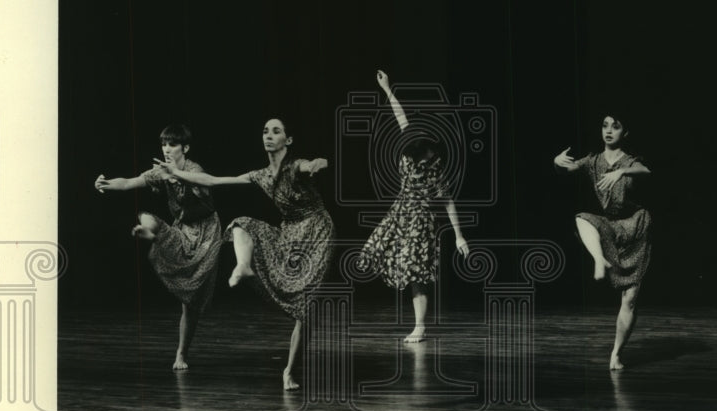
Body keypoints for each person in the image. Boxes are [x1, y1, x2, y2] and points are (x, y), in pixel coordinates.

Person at [155, 118, 332, 391]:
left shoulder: (296, 166)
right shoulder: (261, 174)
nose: (269, 135)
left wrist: (317, 163)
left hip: (317, 232)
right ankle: (243, 266)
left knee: (305, 308)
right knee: (240, 224)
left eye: (276, 131)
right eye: (265, 131)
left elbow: (312, 164)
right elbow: (213, 180)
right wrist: (177, 174)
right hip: (289, 233)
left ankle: (289, 372)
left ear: (289, 139)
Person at [94, 124, 222, 371]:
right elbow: (130, 182)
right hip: (182, 229)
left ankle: (181, 353)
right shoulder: (160, 171)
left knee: (191, 302)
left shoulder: (194, 170)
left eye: (172, 144)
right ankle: (149, 232)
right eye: (164, 144)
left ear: (185, 148)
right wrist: (105, 183)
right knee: (150, 218)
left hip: (206, 232)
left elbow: (204, 190)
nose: (166, 149)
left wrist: (177, 176)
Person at [358, 70, 470, 343]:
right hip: (400, 211)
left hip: (421, 218)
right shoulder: (411, 143)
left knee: (415, 272)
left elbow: (446, 199)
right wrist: (386, 88)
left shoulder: (432, 162)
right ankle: (417, 322)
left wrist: (459, 235)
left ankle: (420, 326)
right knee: (371, 251)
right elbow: (400, 116)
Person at [554, 113, 651, 370]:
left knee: (629, 298)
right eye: (605, 125)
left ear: (625, 133)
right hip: (610, 223)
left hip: (635, 227)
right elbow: (568, 167)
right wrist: (556, 161)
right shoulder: (593, 160)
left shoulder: (631, 160)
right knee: (582, 218)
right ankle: (599, 259)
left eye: (615, 127)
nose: (608, 130)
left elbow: (645, 170)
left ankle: (616, 354)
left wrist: (622, 172)